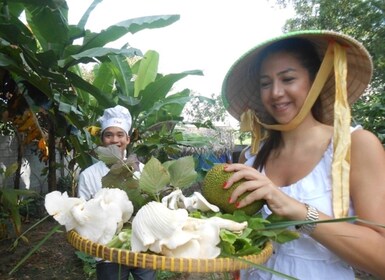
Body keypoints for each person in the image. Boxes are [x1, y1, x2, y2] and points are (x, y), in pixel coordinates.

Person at [221, 30, 385, 279]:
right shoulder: (251, 158)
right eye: (266, 83)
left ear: (315, 81)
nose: (275, 92)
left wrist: (297, 211)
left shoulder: (355, 146)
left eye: (288, 79)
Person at [78, 105, 156, 280]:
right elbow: (82, 217)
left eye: (120, 134)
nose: (115, 140)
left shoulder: (142, 171)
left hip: (142, 244)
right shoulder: (88, 175)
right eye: (109, 135)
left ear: (128, 139)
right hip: (108, 250)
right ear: (102, 139)